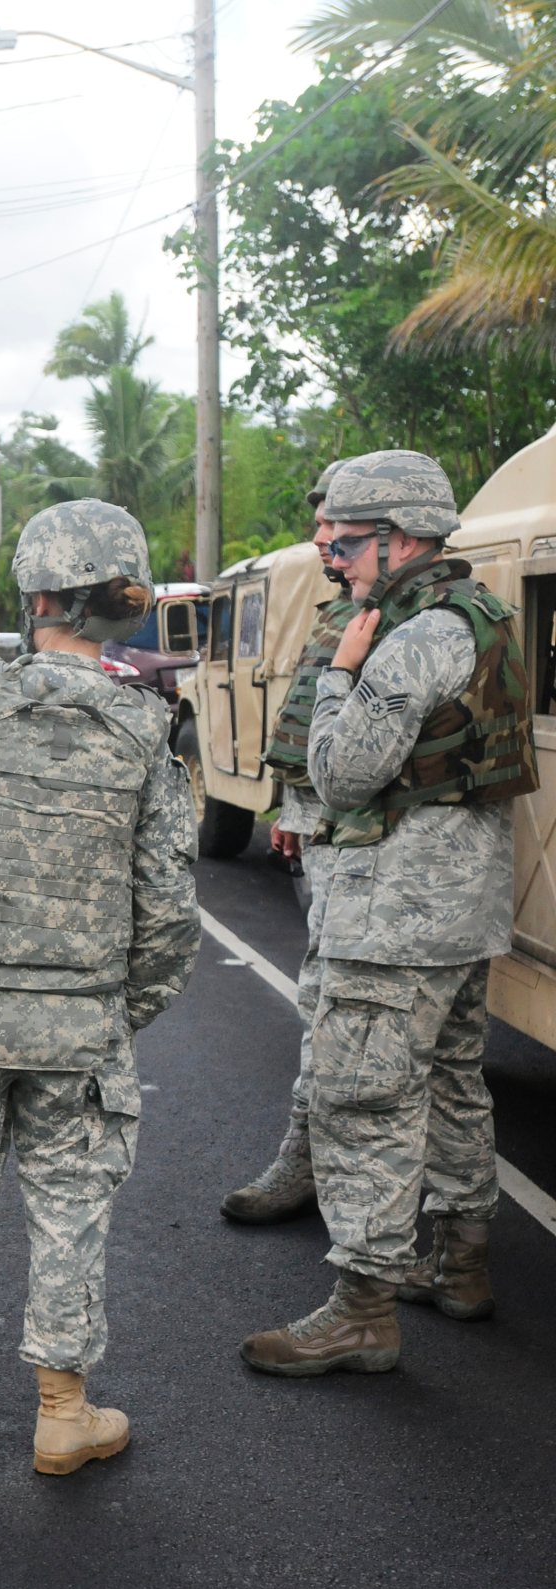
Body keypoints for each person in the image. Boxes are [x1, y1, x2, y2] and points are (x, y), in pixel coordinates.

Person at [0, 499, 200, 1472]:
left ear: (40, 595)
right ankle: (64, 1413)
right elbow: (170, 911)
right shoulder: (147, 731)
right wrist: (109, 1004)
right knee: (69, 1206)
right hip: (80, 1021)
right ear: (121, 603)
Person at [241, 452, 538, 1376]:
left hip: (398, 912)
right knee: (451, 1082)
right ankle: (460, 1263)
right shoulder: (481, 612)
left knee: (364, 1098)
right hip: (461, 907)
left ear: (402, 537)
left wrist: (341, 672)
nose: (331, 544)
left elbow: (342, 771)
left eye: (349, 535)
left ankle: (363, 1305)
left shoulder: (411, 636)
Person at [221, 460, 358, 1223]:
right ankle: (306, 1165)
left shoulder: (387, 619)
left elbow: (360, 748)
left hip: (371, 861)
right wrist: (289, 805)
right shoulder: (345, 608)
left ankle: (329, 1186)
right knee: (327, 1019)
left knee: (336, 1025)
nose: (316, 537)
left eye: (329, 524)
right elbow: (307, 725)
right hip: (330, 836)